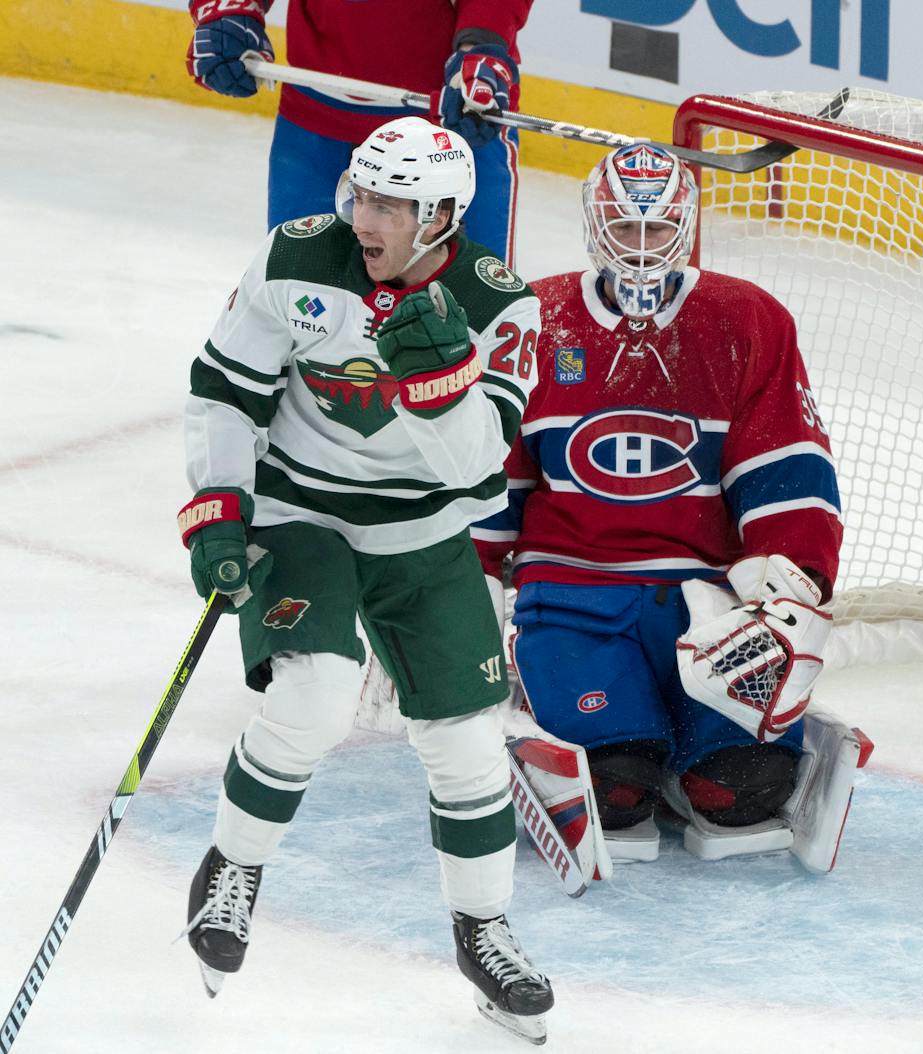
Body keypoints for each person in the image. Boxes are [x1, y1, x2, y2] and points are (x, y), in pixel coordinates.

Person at [178, 115, 552, 1045]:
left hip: (424, 533)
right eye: (363, 194)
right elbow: (226, 390)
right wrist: (220, 506)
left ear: (441, 218)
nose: (365, 218)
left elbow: (475, 472)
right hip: (300, 513)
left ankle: (484, 930)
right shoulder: (301, 258)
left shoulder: (502, 306)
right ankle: (233, 867)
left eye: (391, 204)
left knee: (468, 741)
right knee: (315, 695)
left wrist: (441, 387)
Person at [473, 144, 871, 873]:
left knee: (741, 791)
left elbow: (786, 464)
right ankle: (587, 716)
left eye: (659, 232)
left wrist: (789, 571)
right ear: (597, 227)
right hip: (574, 596)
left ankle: (697, 747)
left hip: (708, 607)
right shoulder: (534, 319)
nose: (643, 251)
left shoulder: (746, 321)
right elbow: (493, 473)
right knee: (616, 787)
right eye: (627, 230)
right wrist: (462, 580)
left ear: (686, 228)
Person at [185, 0, 531, 262]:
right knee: (292, 307)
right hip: (314, 122)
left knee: (471, 324)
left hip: (452, 120)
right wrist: (229, 8)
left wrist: (483, 42)